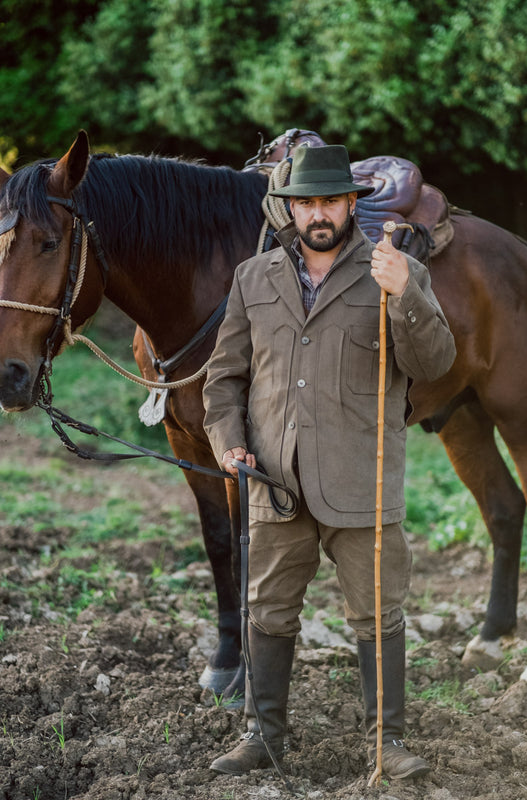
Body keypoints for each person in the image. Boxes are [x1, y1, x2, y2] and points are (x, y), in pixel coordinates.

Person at [202, 144, 456, 780]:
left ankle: (386, 743)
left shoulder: (392, 270)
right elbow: (224, 379)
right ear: (290, 209)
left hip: (361, 479)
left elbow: (434, 364)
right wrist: (228, 441)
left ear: (350, 204)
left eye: (331, 201)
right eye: (307, 202)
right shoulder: (252, 278)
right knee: (267, 610)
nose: (319, 213)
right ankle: (262, 737)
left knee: (378, 614)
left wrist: (405, 295)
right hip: (275, 481)